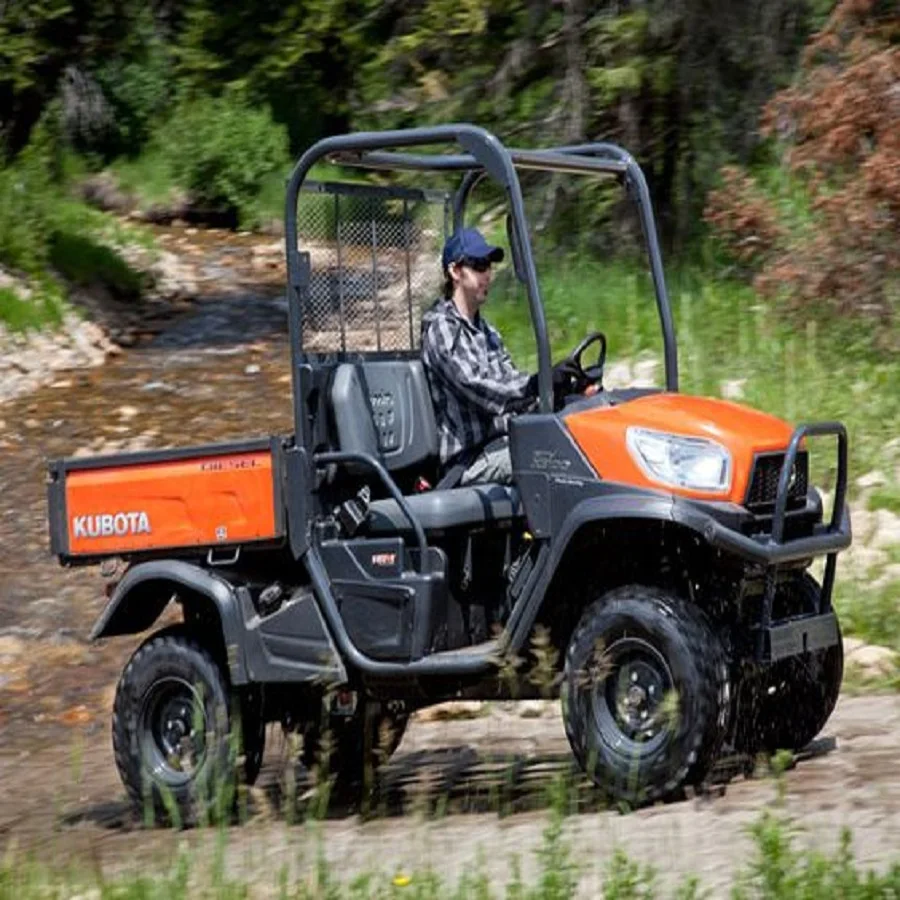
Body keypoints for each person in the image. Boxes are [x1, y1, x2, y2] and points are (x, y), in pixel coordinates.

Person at [421, 227, 576, 487]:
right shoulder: (441, 328)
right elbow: (476, 386)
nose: (488, 275)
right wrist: (535, 384)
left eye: (489, 267)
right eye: (479, 265)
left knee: (577, 439)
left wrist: (557, 392)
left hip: (500, 444)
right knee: (556, 460)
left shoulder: (488, 332)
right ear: (455, 271)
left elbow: (511, 385)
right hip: (468, 461)